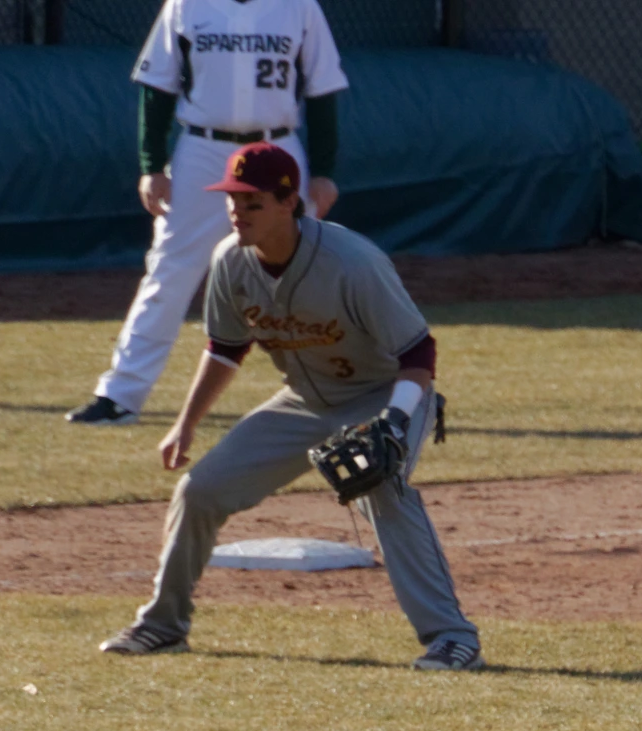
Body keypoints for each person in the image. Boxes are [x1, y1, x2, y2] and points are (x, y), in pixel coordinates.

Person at [98, 143, 482, 672]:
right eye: (232, 200)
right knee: (199, 490)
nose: (238, 212)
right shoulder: (230, 260)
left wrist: (393, 420)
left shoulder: (353, 262)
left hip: (385, 395)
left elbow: (418, 353)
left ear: (288, 203)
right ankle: (163, 626)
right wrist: (185, 426)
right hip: (305, 401)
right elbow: (226, 349)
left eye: (252, 202)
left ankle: (452, 637)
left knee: (382, 486)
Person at [66, 0, 347, 427]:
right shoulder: (186, 4)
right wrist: (152, 165)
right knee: (170, 268)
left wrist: (324, 171)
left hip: (276, 148)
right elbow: (157, 86)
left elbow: (322, 89)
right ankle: (120, 395)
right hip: (202, 147)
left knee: (305, 269)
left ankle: (336, 388)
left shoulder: (297, 6)